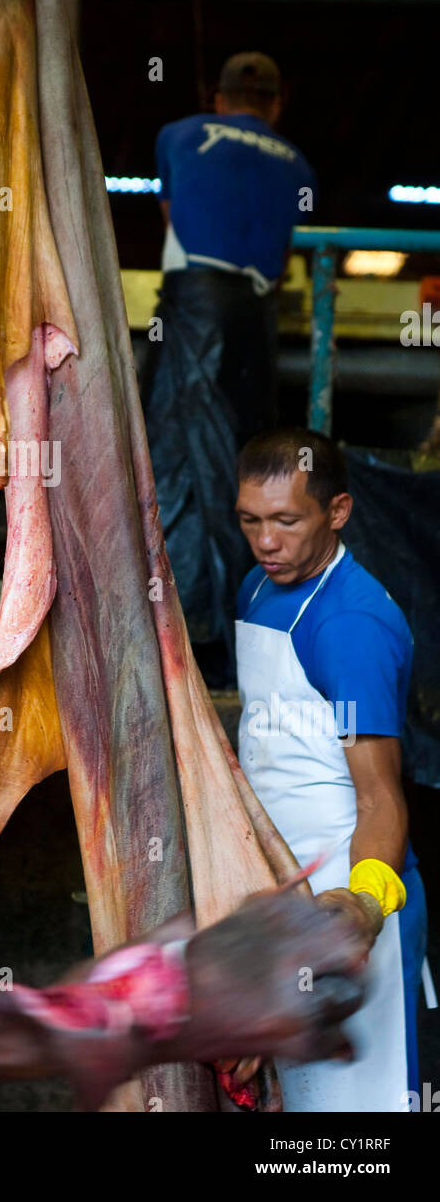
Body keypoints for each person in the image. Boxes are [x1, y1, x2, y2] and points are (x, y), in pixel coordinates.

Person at [234, 427, 428, 1111]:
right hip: (282, 891)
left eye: (287, 520)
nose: (266, 542)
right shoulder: (258, 587)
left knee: (349, 1129)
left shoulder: (350, 627)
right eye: (251, 521)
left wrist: (363, 904)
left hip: (343, 894)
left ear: (338, 511)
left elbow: (379, 795)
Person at [143, 52, 316, 687]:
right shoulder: (297, 162)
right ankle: (241, 643)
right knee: (247, 465)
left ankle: (181, 644)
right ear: (279, 101)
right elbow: (282, 251)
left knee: (173, 463)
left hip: (195, 310)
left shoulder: (180, 134)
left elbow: (173, 216)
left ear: (217, 96)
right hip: (258, 323)